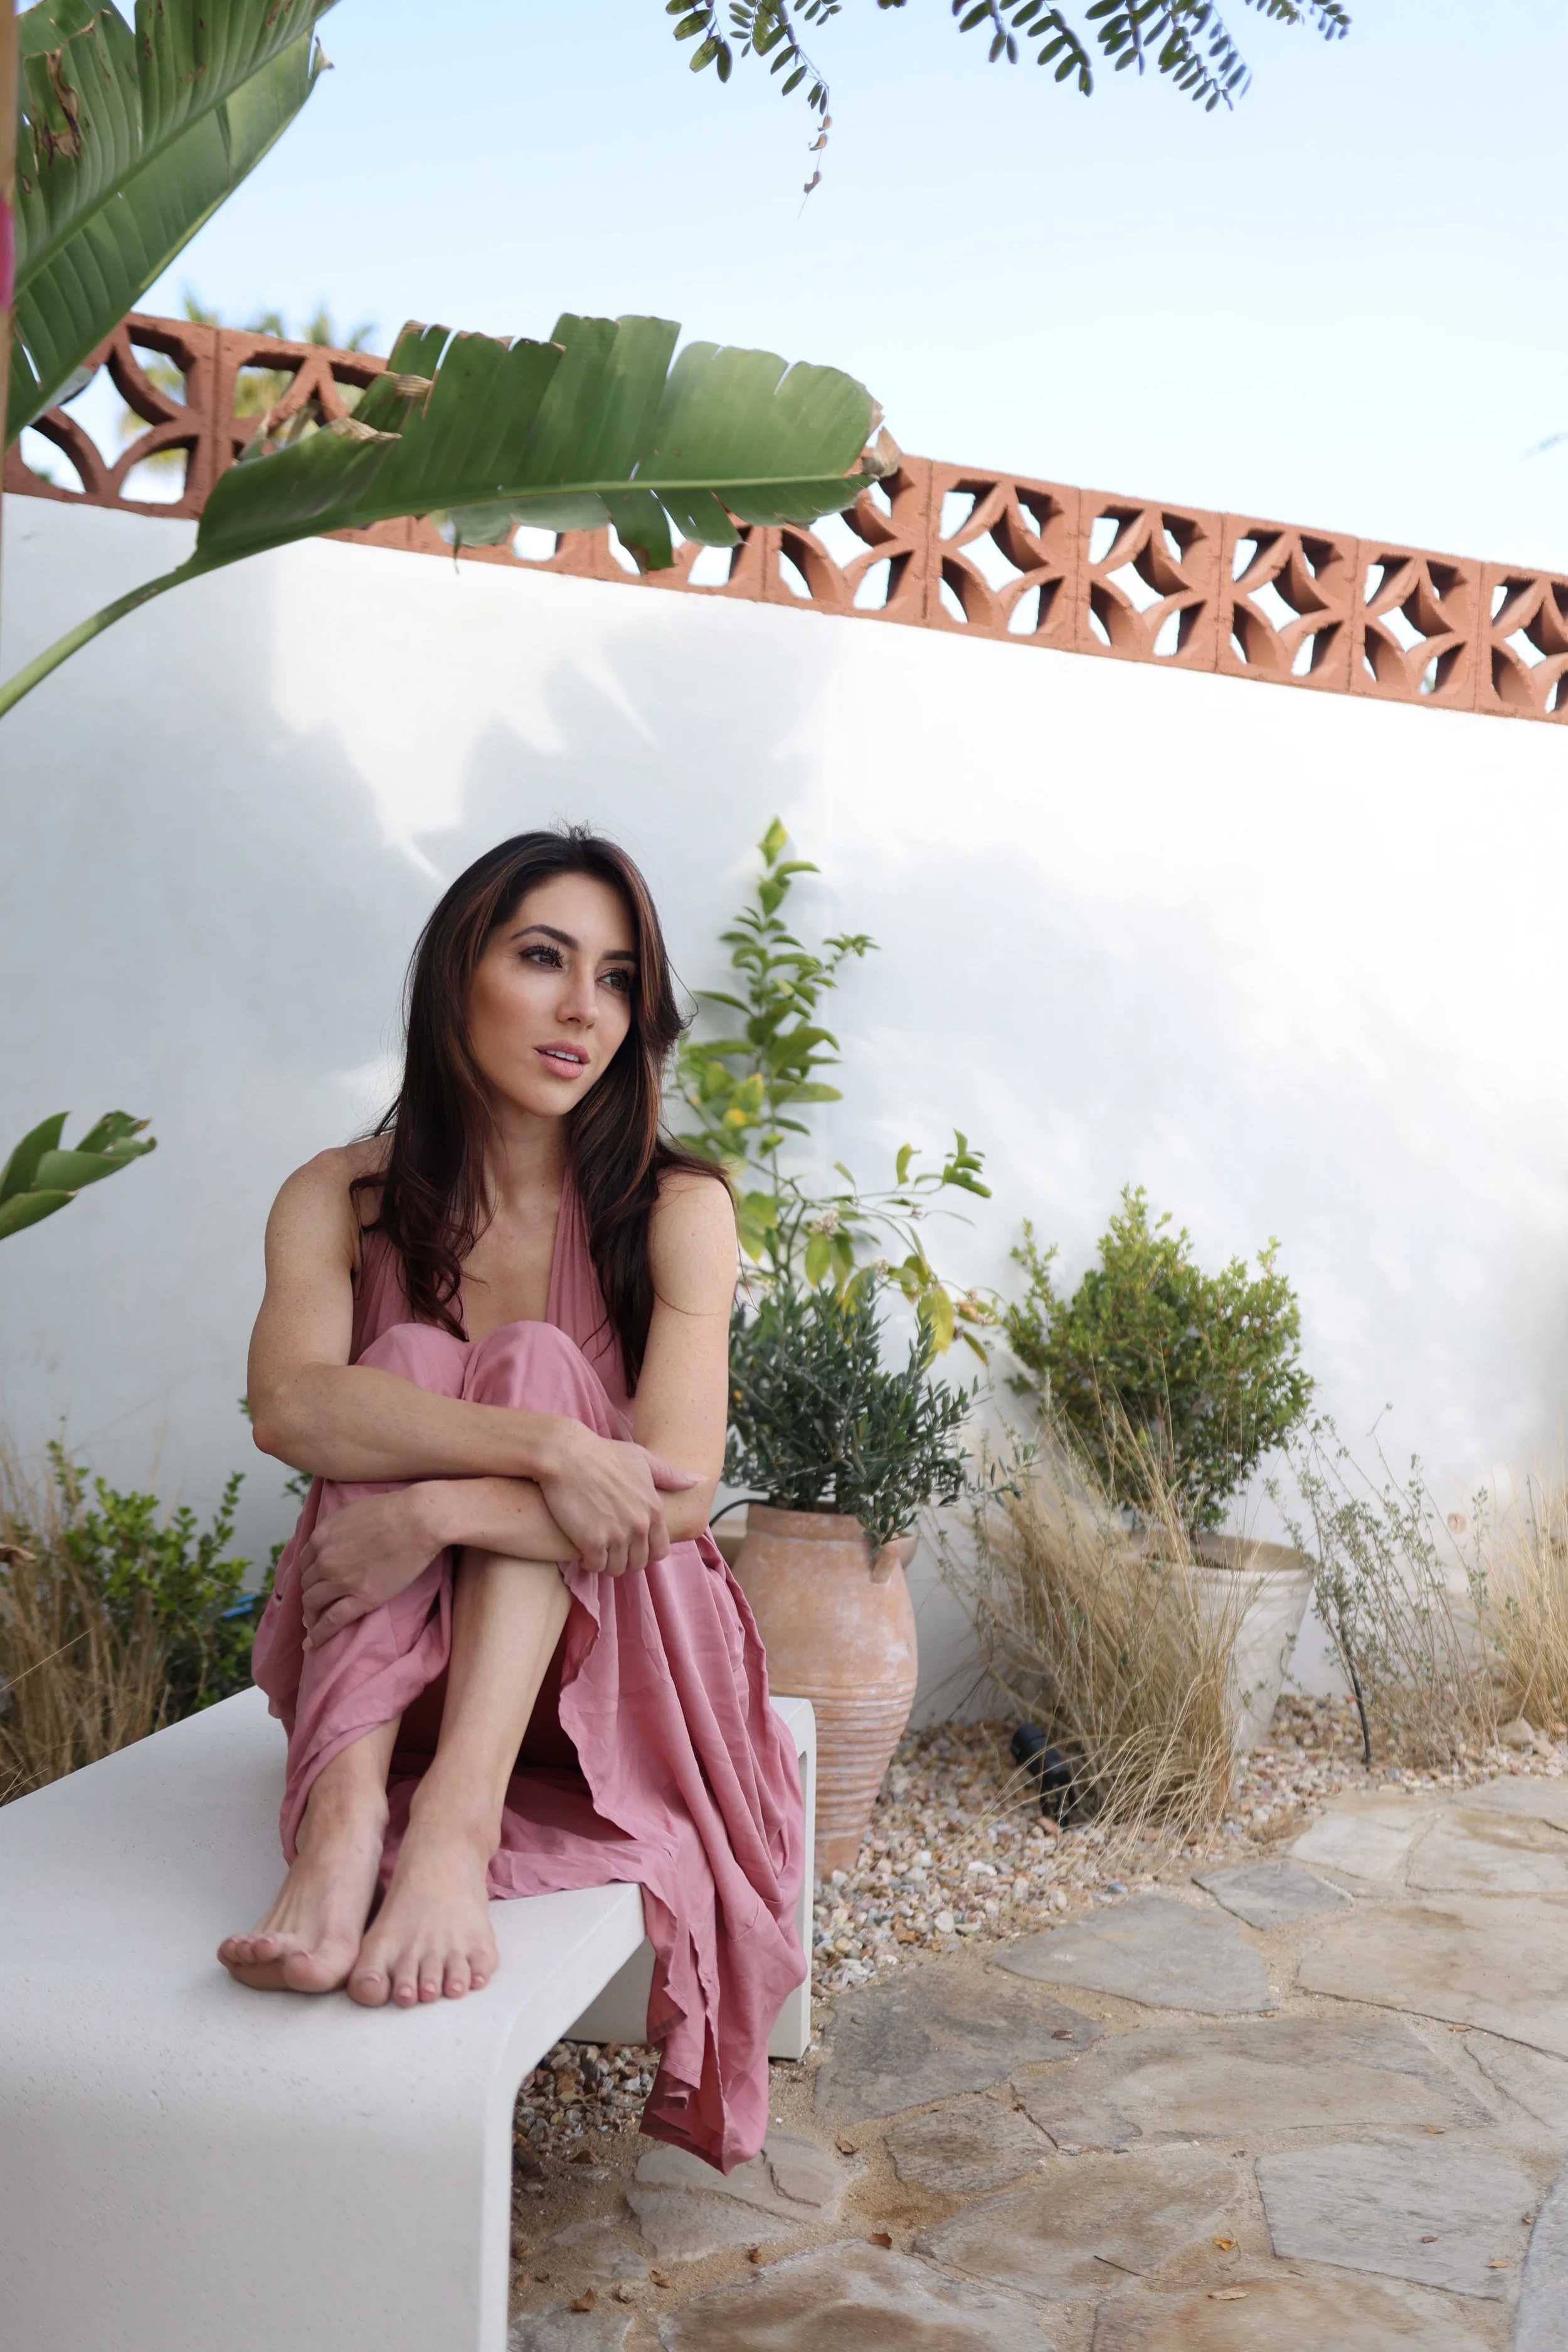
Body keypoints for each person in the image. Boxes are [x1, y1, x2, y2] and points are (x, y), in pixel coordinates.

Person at [218, 827, 806, 2169]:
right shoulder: (338, 1200)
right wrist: (542, 1447)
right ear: (457, 978)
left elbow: (665, 1497)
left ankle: (452, 1834)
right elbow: (290, 1408)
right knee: (426, 1357)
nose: (579, 1010)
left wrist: (436, 1508)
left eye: (611, 980)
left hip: (618, 1661)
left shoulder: (676, 1209)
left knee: (530, 1361)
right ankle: (344, 1821)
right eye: (542, 958)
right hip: (403, 1658)